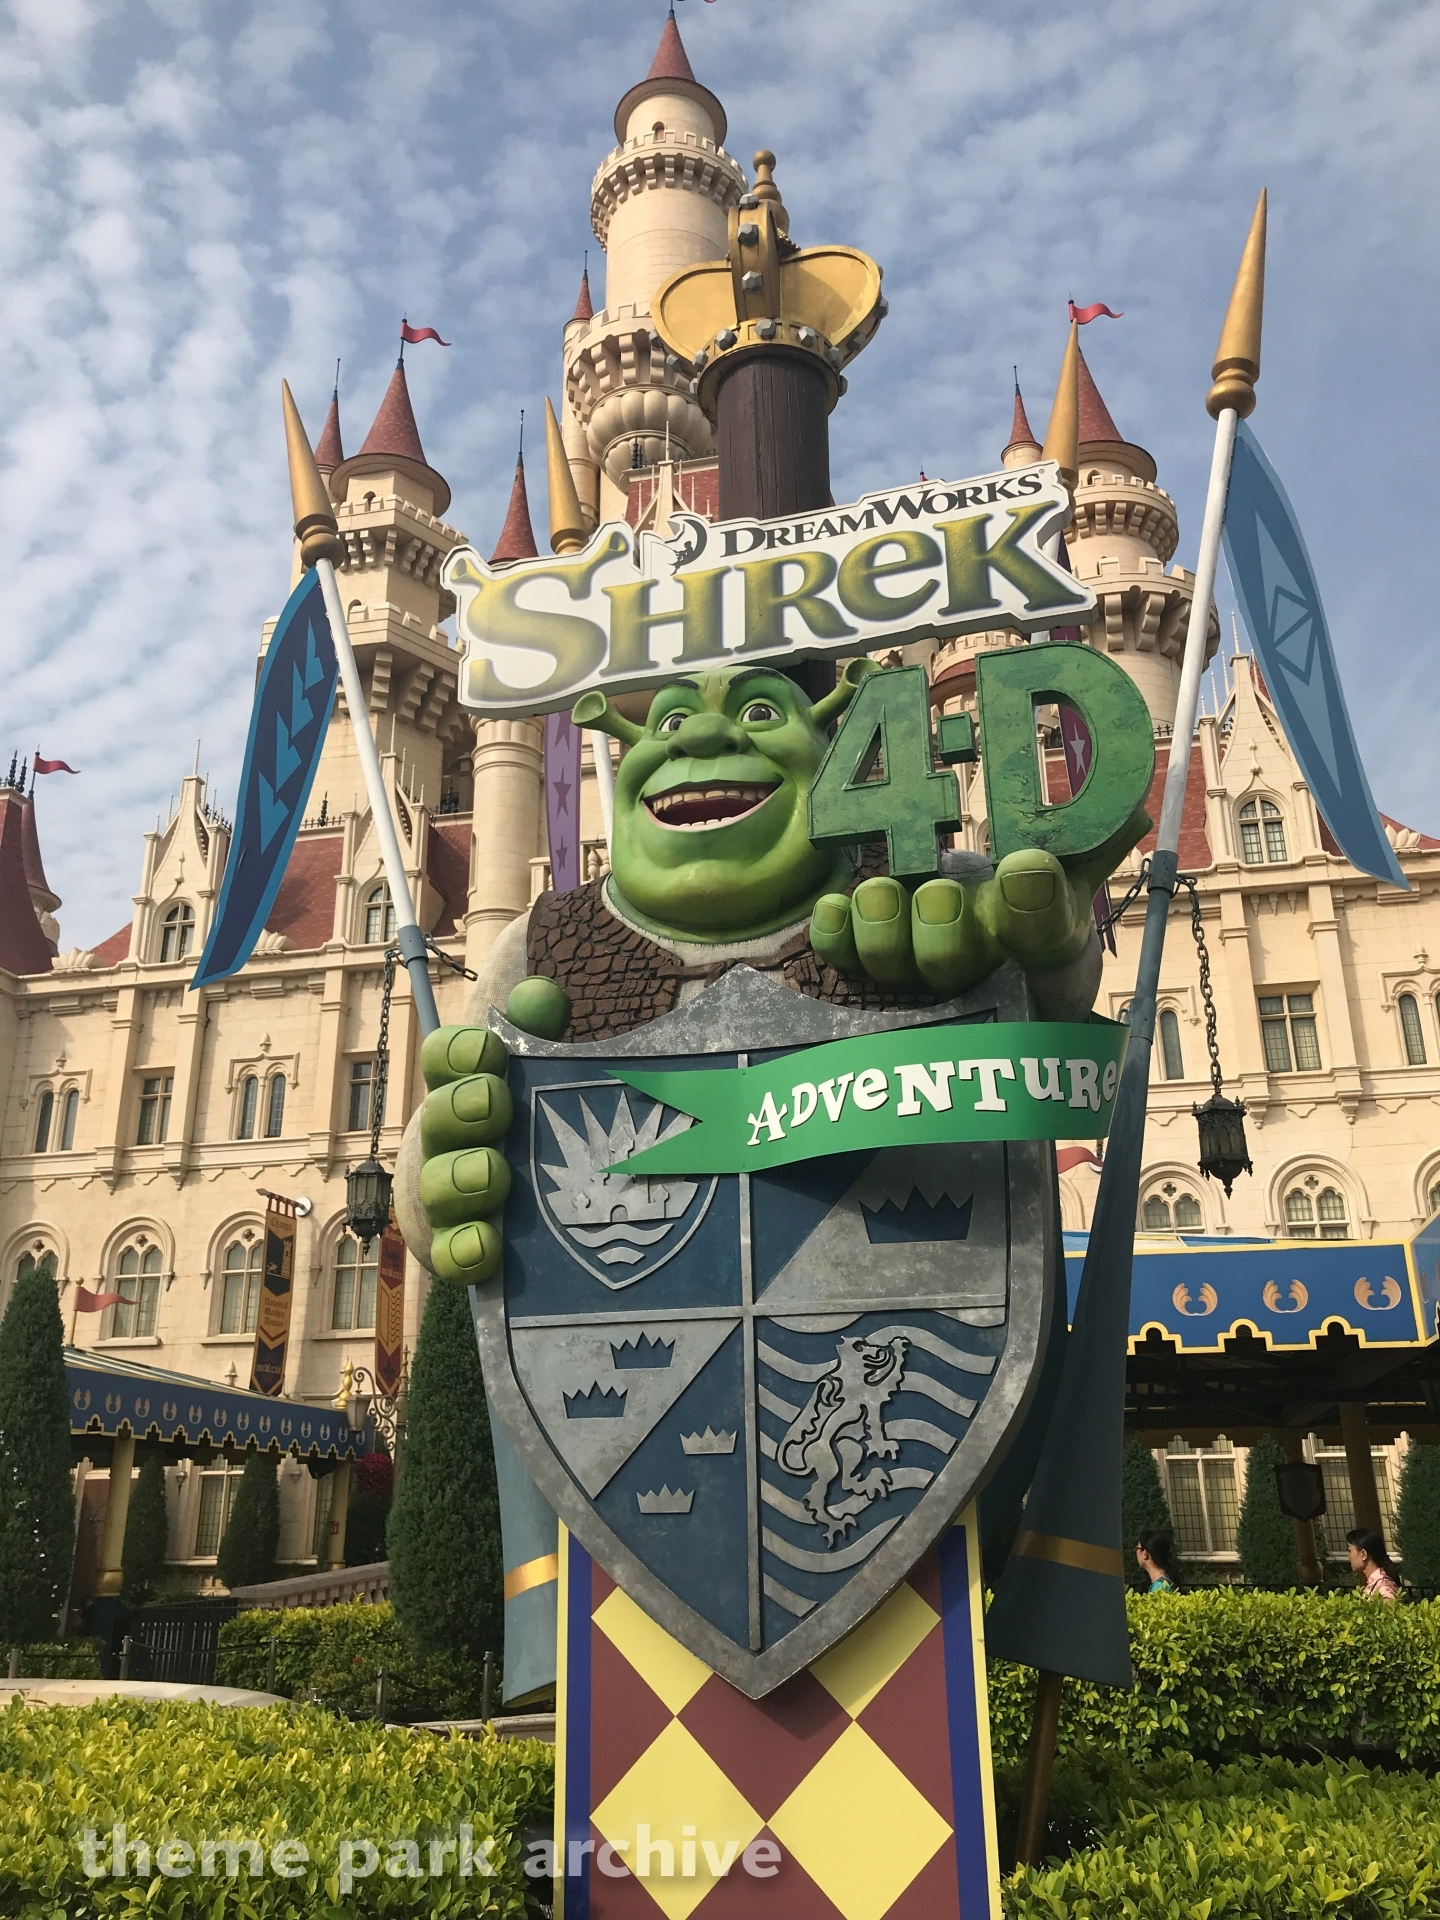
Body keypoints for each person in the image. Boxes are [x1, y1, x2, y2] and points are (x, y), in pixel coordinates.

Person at [1346, 1527, 1401, 1600]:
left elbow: (1390, 1606)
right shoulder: (1372, 1582)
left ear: (1363, 1554)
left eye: (1350, 1551)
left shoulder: (1384, 1586)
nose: (1348, 1557)